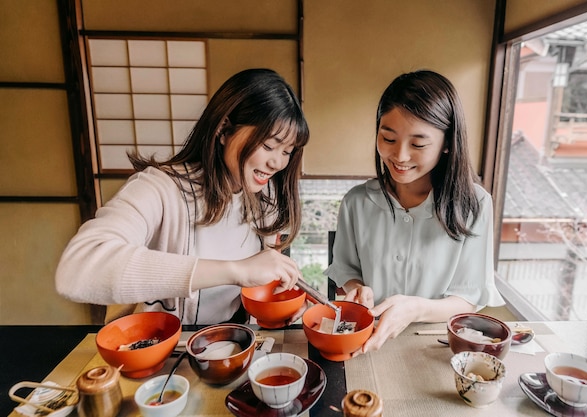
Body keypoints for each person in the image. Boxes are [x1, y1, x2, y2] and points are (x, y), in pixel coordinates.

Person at [56, 68, 310, 325]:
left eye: (287, 151)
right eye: (268, 146)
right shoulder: (160, 188)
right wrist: (236, 270)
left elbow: (254, 289)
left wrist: (281, 302)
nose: (277, 162)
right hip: (164, 348)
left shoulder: (263, 199)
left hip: (233, 344)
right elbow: (78, 269)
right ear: (224, 129)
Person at [325, 69, 505, 355]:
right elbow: (346, 270)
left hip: (435, 346)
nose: (400, 156)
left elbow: (468, 298)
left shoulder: (474, 204)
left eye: (418, 144)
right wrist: (357, 288)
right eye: (388, 138)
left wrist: (417, 308)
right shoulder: (357, 202)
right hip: (369, 343)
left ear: (447, 143)